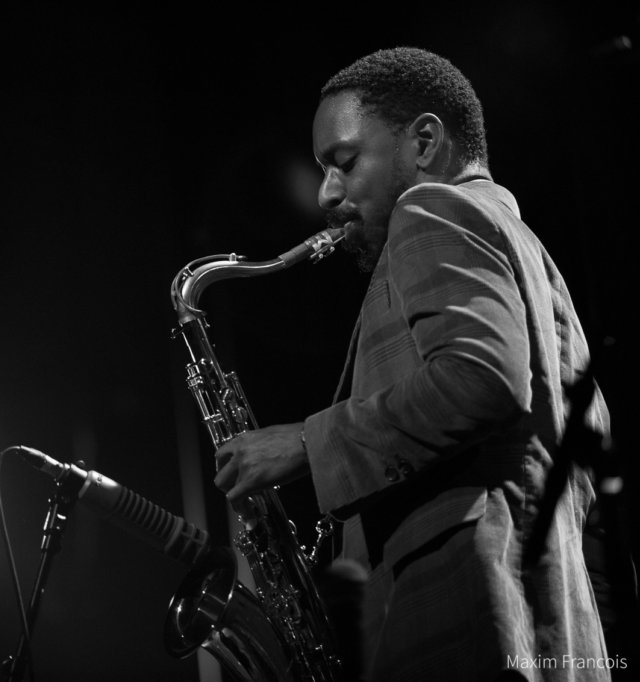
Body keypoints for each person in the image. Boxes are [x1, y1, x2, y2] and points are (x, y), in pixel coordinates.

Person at [212, 47, 611, 681]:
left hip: (463, 620)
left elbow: (480, 379)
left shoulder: (432, 209)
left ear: (424, 141)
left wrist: (308, 445)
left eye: (344, 162)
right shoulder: (529, 253)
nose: (326, 194)